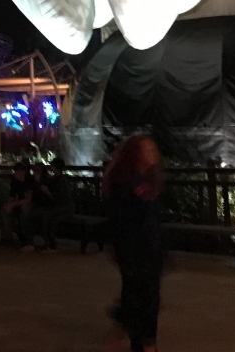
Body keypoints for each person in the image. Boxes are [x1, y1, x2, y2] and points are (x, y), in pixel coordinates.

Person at [103, 136, 165, 352]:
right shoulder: (123, 183)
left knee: (146, 295)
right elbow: (121, 221)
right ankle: (146, 342)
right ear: (134, 153)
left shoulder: (150, 181)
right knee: (141, 296)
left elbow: (154, 217)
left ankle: (132, 328)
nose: (153, 152)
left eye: (153, 148)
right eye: (147, 149)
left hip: (151, 247)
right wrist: (125, 252)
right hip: (133, 249)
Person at [21, 163, 56, 252]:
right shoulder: (32, 181)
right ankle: (29, 242)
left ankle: (47, 243)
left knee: (36, 218)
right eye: (34, 170)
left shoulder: (47, 181)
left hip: (47, 206)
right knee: (26, 215)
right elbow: (31, 195)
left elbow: (54, 198)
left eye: (38, 171)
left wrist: (47, 191)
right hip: (37, 205)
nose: (35, 173)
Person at [0, 162, 33, 247]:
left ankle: (26, 238)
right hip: (19, 203)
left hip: (30, 203)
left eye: (17, 172)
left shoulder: (29, 181)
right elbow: (13, 195)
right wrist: (9, 203)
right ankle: (7, 238)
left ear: (23, 172)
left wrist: (13, 205)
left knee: (25, 210)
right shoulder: (14, 181)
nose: (15, 174)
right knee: (5, 211)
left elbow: (29, 199)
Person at [44, 157, 75, 250]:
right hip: (65, 207)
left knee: (48, 218)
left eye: (52, 165)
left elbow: (59, 198)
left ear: (55, 167)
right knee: (48, 217)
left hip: (64, 208)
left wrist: (47, 192)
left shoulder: (60, 180)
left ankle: (51, 243)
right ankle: (50, 243)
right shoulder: (60, 179)